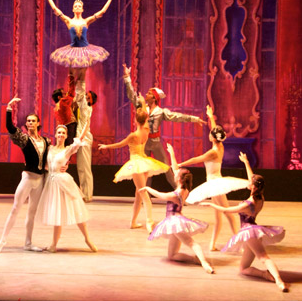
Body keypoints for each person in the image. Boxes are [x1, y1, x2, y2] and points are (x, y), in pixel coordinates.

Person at [201, 152, 288, 292]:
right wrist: (246, 162)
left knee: (263, 257)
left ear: (253, 187)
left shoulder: (248, 204)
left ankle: (279, 280)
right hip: (252, 233)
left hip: (250, 232)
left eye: (251, 183)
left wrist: (211, 205)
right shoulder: (260, 197)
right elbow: (252, 179)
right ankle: (266, 275)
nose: (249, 183)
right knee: (243, 269)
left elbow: (227, 210)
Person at [122, 64, 205, 190]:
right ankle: (145, 195)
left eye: (149, 93)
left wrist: (194, 119)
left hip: (155, 142)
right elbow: (132, 95)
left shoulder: (161, 112)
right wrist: (127, 77)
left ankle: (180, 192)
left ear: (154, 98)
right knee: (145, 169)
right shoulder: (142, 107)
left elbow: (177, 116)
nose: (146, 94)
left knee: (167, 168)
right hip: (143, 142)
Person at [139, 143, 214, 274]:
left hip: (175, 221)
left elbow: (162, 196)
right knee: (172, 255)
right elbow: (175, 168)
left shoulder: (177, 194)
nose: (174, 173)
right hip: (174, 222)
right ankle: (195, 259)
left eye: (177, 174)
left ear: (179, 178)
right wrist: (172, 153)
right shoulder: (183, 189)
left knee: (191, 243)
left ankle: (204, 263)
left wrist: (147, 188)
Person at [99, 93, 169, 233]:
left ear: (135, 121)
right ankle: (133, 221)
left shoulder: (133, 135)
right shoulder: (146, 131)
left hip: (137, 163)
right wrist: (143, 103)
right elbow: (145, 116)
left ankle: (149, 221)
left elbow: (120, 144)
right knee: (139, 194)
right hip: (143, 162)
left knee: (143, 193)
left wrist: (106, 146)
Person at [178, 105, 245, 251]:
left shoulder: (212, 152)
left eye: (211, 134)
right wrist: (210, 116)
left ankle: (240, 243)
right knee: (218, 217)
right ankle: (212, 245)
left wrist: (180, 163)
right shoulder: (220, 146)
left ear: (213, 138)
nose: (209, 134)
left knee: (228, 214)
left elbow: (197, 159)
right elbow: (215, 131)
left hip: (215, 183)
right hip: (214, 182)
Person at [0, 98, 50, 254]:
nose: (30, 123)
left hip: (40, 180)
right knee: (16, 208)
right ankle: (1, 241)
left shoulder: (46, 141)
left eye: (33, 121)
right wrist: (9, 108)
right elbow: (10, 127)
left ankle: (28, 243)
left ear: (38, 123)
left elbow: (51, 159)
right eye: (28, 121)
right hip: (28, 178)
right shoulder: (24, 139)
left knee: (32, 213)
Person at [35, 123, 97, 253]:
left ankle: (87, 238)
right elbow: (47, 165)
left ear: (66, 136)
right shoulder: (50, 148)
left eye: (63, 133)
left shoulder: (68, 149)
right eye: (59, 133)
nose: (61, 135)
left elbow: (79, 140)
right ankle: (53, 244)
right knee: (57, 214)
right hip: (52, 184)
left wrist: (86, 124)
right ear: (55, 134)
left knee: (76, 210)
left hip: (64, 182)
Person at [44, 0, 114, 70]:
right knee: (71, 76)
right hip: (72, 51)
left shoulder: (86, 21)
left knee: (82, 77)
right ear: (73, 9)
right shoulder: (68, 21)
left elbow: (102, 12)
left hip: (85, 51)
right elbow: (55, 9)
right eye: (75, 6)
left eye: (79, 6)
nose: (77, 7)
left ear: (82, 9)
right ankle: (71, 83)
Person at [73, 68, 97, 202]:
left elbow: (80, 92)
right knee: (82, 167)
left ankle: (87, 194)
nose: (85, 97)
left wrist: (82, 75)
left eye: (88, 97)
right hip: (81, 138)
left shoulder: (86, 107)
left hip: (84, 139)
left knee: (84, 168)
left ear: (91, 100)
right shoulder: (85, 107)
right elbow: (79, 94)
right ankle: (85, 193)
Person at [51, 74, 77, 146]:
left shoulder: (56, 107)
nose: (66, 95)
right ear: (59, 97)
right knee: (69, 148)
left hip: (64, 128)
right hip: (70, 127)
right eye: (64, 94)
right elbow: (71, 94)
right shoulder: (62, 102)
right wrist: (71, 77)